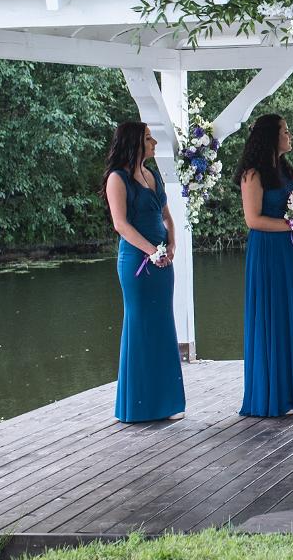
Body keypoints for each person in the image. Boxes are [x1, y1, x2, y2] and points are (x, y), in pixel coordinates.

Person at [236, 114, 293, 417]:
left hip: (291, 251)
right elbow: (253, 219)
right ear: (271, 137)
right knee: (274, 316)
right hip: (269, 252)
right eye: (285, 131)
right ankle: (272, 393)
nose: (290, 135)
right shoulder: (253, 174)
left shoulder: (284, 170)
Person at [101, 122, 185, 423]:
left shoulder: (152, 174)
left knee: (163, 324)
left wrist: (172, 244)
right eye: (149, 138)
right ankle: (137, 406)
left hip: (162, 261)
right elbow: (120, 225)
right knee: (140, 325)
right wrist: (152, 250)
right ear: (135, 142)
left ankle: (165, 403)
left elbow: (166, 215)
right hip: (136, 261)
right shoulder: (117, 178)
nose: (154, 143)